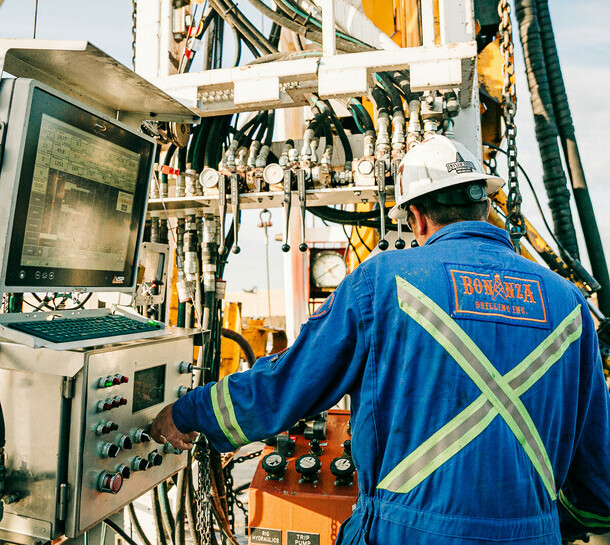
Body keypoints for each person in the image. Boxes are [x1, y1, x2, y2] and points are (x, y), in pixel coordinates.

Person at [151, 135, 610, 544]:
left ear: (416, 217)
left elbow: (283, 388)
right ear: (485, 207)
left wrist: (190, 412)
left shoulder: (381, 283)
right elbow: (597, 478)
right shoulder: (568, 303)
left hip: (404, 532)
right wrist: (538, 525)